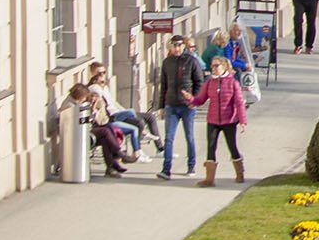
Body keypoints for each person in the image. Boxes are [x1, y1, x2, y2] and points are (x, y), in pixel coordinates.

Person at [189, 54, 248, 186]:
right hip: (213, 120)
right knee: (211, 147)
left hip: (229, 120)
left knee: (232, 146)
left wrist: (243, 120)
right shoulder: (210, 82)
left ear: (224, 66)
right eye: (212, 66)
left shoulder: (233, 83)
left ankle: (240, 173)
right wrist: (191, 99)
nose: (214, 68)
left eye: (217, 65)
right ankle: (209, 179)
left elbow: (239, 103)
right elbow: (201, 99)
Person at [155, 34, 205, 180]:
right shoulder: (167, 62)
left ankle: (191, 165)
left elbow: (199, 82)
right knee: (169, 138)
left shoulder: (191, 61)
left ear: (183, 46)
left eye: (179, 45)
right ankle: (166, 169)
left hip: (187, 106)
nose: (176, 48)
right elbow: (163, 85)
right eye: (174, 45)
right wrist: (161, 105)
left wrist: (194, 100)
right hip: (171, 104)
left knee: (189, 136)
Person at [87, 60, 160, 155]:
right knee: (138, 122)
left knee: (149, 116)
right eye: (99, 73)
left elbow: (113, 103)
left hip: (118, 113)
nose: (102, 75)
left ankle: (160, 147)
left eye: (104, 72)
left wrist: (123, 111)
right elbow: (97, 96)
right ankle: (139, 149)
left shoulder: (104, 87)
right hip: (111, 117)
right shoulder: (94, 88)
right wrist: (99, 84)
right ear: (93, 74)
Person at [65, 84, 132, 177]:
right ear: (79, 95)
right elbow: (79, 121)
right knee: (105, 131)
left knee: (105, 137)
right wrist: (91, 115)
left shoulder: (78, 103)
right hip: (78, 135)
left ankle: (111, 167)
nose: (85, 99)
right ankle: (119, 154)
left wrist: (92, 111)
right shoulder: (70, 105)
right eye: (84, 97)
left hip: (84, 131)